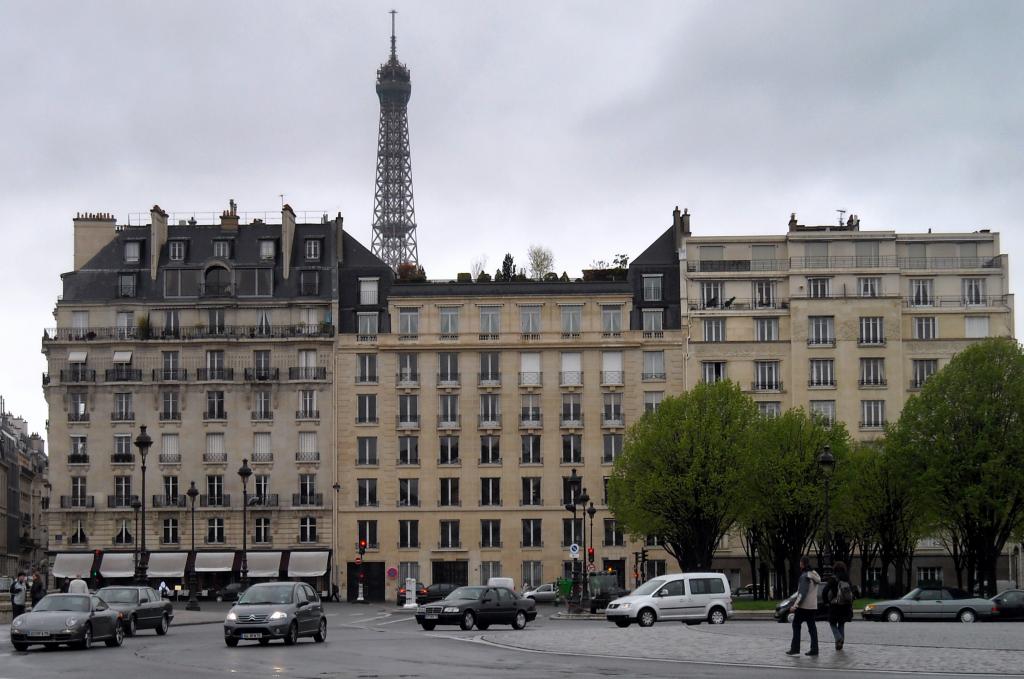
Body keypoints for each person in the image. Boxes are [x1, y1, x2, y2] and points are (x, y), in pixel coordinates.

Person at [787, 556, 821, 656]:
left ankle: (795, 648)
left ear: (802, 564)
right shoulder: (815, 574)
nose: (799, 565)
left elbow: (801, 593)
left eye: (800, 563)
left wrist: (794, 606)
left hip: (803, 607)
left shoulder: (804, 576)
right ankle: (815, 649)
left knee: (796, 625)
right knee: (812, 628)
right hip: (812, 606)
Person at [821, 561, 854, 650]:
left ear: (834, 569)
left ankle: (838, 638)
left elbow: (825, 591)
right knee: (841, 623)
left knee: (832, 623)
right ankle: (839, 644)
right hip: (845, 606)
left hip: (834, 605)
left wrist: (826, 602)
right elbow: (852, 592)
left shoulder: (833, 579)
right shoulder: (847, 579)